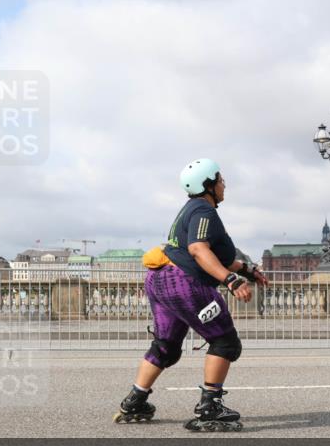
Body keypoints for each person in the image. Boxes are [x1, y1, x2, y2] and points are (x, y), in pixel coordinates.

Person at [114, 159, 269, 431]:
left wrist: (247, 270)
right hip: (184, 283)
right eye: (220, 179)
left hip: (161, 279)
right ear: (208, 185)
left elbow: (213, 254)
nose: (224, 184)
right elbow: (198, 250)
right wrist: (231, 280)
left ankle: (135, 400)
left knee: (166, 346)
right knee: (225, 342)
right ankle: (210, 407)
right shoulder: (203, 212)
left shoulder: (190, 210)